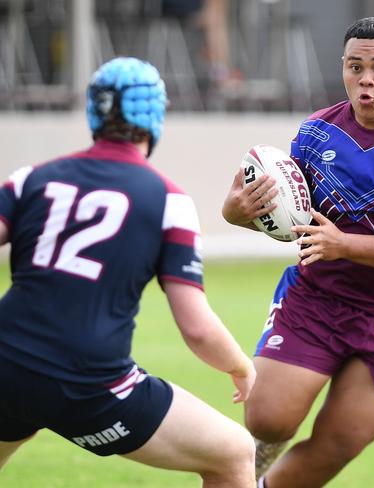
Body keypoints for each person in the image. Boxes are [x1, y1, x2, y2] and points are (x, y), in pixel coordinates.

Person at [222, 16, 374, 488]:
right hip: (319, 299)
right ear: (343, 68)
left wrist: (344, 245)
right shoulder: (316, 133)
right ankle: (259, 453)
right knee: (267, 420)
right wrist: (238, 212)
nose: (366, 79)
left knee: (335, 446)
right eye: (355, 67)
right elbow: (288, 215)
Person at [0, 57, 256, 487]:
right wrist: (241, 366)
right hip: (88, 383)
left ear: (93, 112)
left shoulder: (30, 179)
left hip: (6, 364)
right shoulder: (168, 200)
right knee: (234, 453)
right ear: (154, 116)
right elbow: (196, 327)